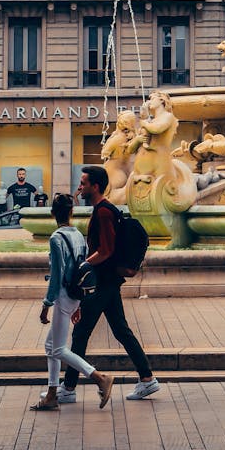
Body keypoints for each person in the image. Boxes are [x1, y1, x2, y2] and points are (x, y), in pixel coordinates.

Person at [59, 165, 159, 403]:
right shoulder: (102, 210)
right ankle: (147, 379)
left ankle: (69, 388)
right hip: (108, 281)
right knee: (121, 331)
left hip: (103, 282)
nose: (79, 187)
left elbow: (106, 250)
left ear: (95, 186)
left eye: (83, 183)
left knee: (81, 332)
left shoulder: (104, 212)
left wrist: (83, 265)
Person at [32, 193, 113, 412]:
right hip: (75, 295)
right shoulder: (78, 234)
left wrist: (46, 305)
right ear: (72, 212)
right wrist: (78, 305)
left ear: (52, 214)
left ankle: (99, 377)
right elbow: (83, 268)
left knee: (57, 349)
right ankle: (51, 394)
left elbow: (57, 275)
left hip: (63, 296)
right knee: (51, 346)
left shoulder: (56, 238)